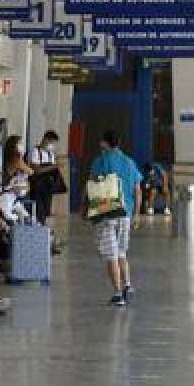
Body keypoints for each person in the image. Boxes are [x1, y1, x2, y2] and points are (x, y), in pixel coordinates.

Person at [83, 131, 143, 307]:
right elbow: (138, 190)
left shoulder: (100, 161)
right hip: (125, 214)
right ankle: (128, 285)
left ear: (104, 143)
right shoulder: (129, 162)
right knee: (122, 252)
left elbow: (91, 186)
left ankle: (118, 294)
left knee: (111, 255)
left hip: (106, 213)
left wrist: (84, 207)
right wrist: (136, 214)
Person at [26, 131, 64, 221]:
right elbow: (36, 170)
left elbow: (52, 170)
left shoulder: (51, 154)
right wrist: (54, 166)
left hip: (48, 187)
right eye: (51, 142)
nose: (52, 145)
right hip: (37, 186)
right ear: (45, 139)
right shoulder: (35, 152)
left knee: (46, 211)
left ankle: (43, 230)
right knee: (38, 211)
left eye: (54, 143)